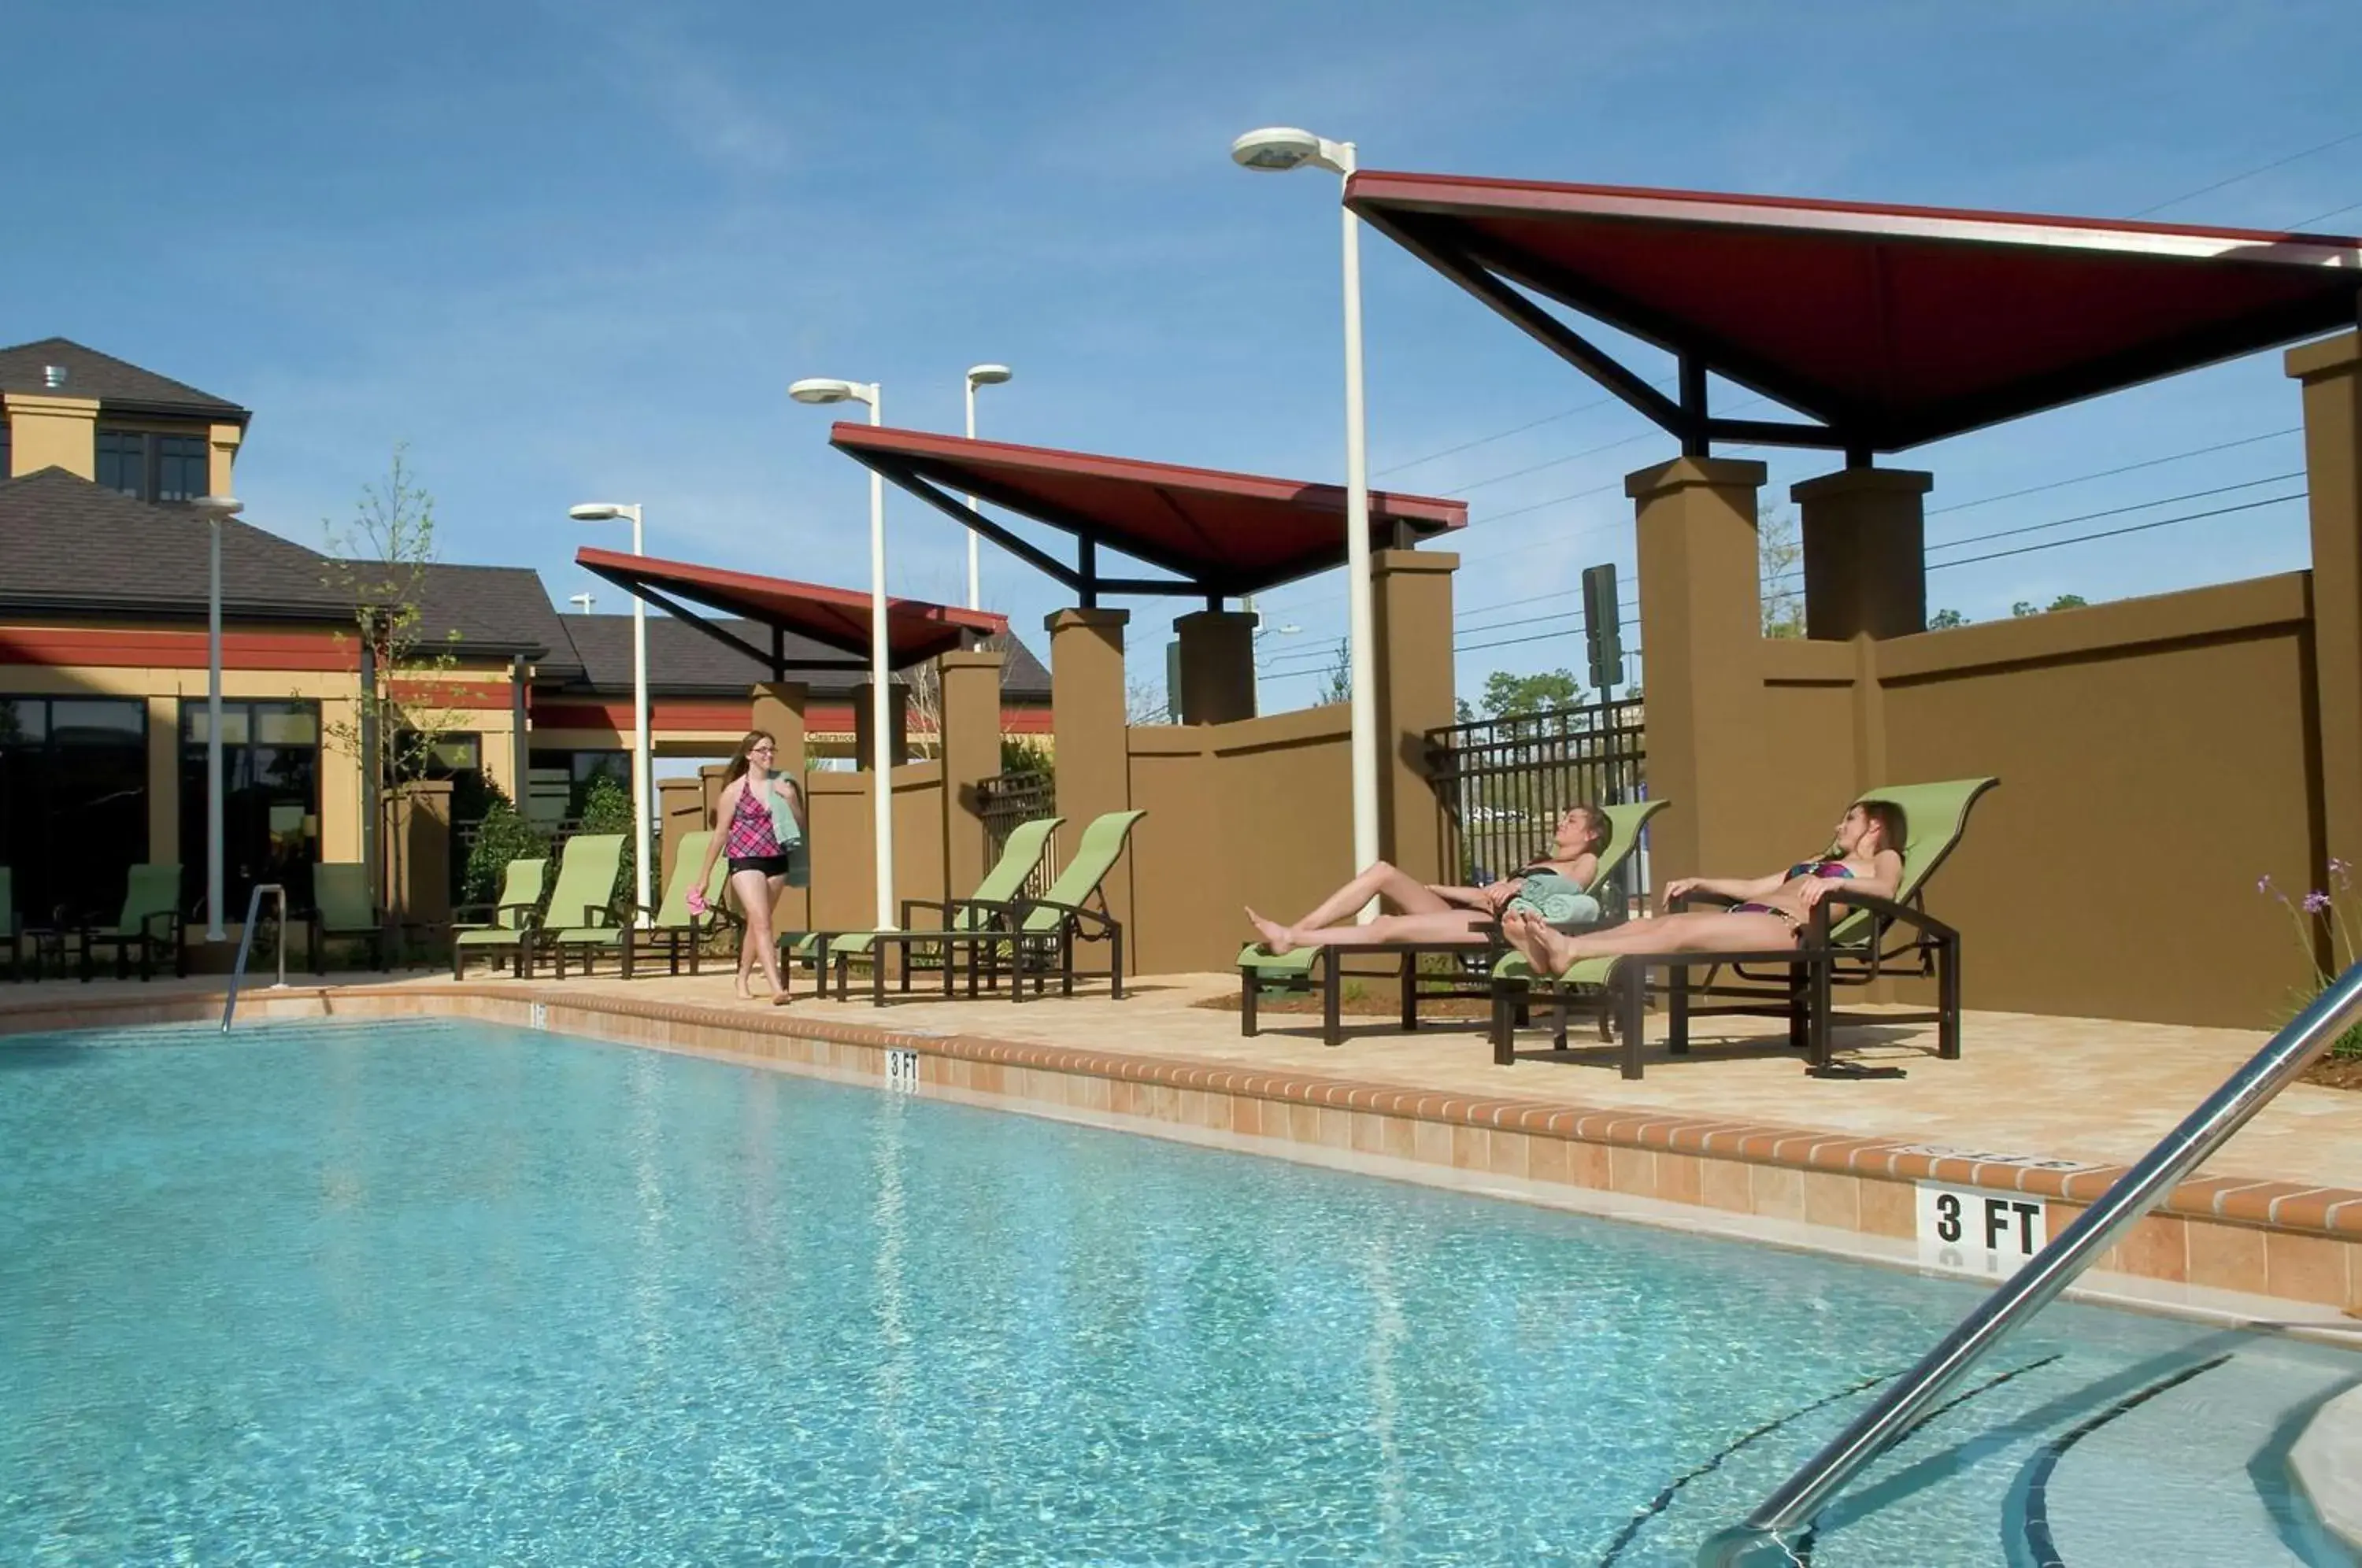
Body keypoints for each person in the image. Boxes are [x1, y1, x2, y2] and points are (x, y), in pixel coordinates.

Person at [1500, 799, 1905, 976]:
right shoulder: (1818, 864)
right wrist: (1701, 881)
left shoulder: (1880, 859)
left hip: (1787, 927)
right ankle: (1547, 955)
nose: (1839, 826)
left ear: (1875, 826)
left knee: (1677, 932)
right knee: (1645, 927)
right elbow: (1753, 886)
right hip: (1752, 916)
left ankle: (1568, 948)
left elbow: (1886, 890)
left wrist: (1833, 884)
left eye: (1850, 819)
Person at [1246, 804, 1612, 955]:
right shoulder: (1540, 862)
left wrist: (1518, 886)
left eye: (1573, 820)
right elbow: (1484, 895)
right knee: (1383, 872)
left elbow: (1573, 888)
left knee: (1387, 926)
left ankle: (1292, 939)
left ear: (1592, 835)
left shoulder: (1585, 860)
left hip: (1498, 927)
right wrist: (1437, 890)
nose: (1562, 822)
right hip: (1481, 911)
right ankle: (1299, 928)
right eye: (1564, 817)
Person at [688, 730, 808, 1003]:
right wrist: (704, 876)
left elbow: (800, 826)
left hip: (776, 860)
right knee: (764, 923)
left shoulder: (783, 783)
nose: (768, 754)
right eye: (762, 750)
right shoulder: (734, 791)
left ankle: (742, 976)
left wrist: (790, 799)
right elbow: (720, 834)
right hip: (745, 860)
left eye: (771, 749)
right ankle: (777, 987)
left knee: (757, 922)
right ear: (749, 755)